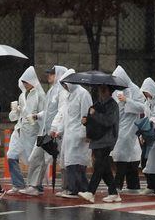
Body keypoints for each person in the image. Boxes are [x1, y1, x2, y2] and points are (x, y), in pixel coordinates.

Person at [20, 65, 68, 196]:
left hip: (54, 133)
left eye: (52, 74)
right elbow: (48, 111)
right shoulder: (52, 90)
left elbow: (62, 111)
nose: (49, 76)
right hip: (45, 131)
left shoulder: (62, 92)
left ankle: (69, 187)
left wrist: (55, 128)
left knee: (62, 160)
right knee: (37, 158)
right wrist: (37, 116)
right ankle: (34, 186)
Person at [50, 69, 92, 198]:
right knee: (70, 162)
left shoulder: (83, 94)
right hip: (69, 135)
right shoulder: (69, 96)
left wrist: (86, 134)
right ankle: (74, 188)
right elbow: (66, 116)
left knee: (76, 162)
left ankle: (77, 189)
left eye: (65, 84)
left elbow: (86, 115)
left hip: (78, 135)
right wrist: (59, 130)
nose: (64, 87)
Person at [6, 66, 45, 195]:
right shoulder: (22, 96)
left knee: (33, 159)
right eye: (23, 82)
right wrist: (15, 111)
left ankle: (37, 186)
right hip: (19, 129)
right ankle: (18, 184)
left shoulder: (40, 95)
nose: (25, 85)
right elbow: (15, 117)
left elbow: (45, 112)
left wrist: (36, 117)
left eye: (27, 82)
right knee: (11, 155)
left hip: (32, 132)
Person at [78, 84, 120, 203]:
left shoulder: (112, 105)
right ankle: (114, 193)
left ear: (109, 91)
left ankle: (91, 192)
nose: (101, 92)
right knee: (104, 167)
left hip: (107, 139)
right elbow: (94, 121)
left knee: (99, 166)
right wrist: (86, 122)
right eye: (100, 89)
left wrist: (94, 114)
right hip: (97, 139)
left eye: (103, 89)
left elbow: (108, 121)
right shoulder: (98, 104)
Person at [111, 66, 146, 193]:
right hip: (120, 128)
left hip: (131, 128)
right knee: (126, 157)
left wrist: (127, 101)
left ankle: (118, 186)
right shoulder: (116, 91)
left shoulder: (135, 89)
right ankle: (131, 185)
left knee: (125, 157)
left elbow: (143, 107)